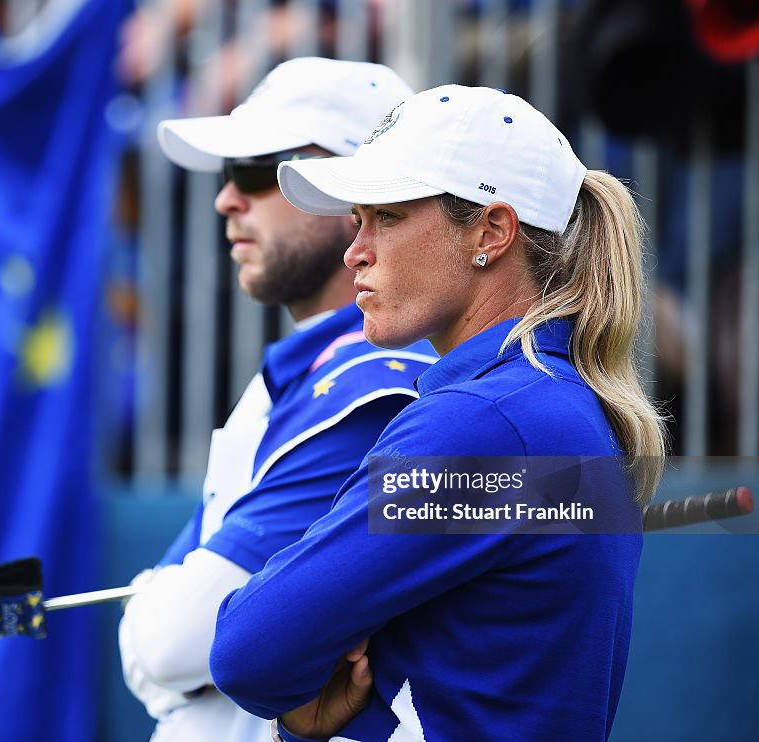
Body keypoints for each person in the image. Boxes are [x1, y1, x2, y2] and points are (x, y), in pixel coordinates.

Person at [209, 84, 668, 741]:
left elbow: (247, 652)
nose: (355, 251)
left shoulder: (483, 423)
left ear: (492, 231)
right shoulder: (546, 406)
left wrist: (314, 709)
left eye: (386, 217)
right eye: (357, 218)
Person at [117, 57, 435, 742]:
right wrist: (160, 635)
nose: (226, 199)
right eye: (230, 174)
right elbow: (173, 643)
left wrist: (156, 629)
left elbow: (171, 643)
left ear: (357, 187)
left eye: (261, 170)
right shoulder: (310, 371)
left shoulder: (371, 387)